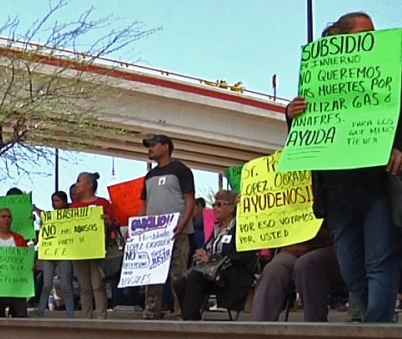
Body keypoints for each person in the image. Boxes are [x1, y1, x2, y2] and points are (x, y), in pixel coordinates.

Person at [286, 12, 402, 322]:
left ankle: (376, 329)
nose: (374, 39)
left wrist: (400, 145)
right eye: (366, 34)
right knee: (351, 267)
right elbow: (307, 136)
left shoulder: (388, 74)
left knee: (379, 262)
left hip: (376, 185)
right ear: (342, 37)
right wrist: (292, 115)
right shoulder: (321, 78)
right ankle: (377, 324)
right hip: (336, 192)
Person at [173, 190, 257, 320]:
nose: (215, 208)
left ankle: (188, 320)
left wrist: (211, 259)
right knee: (179, 282)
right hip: (212, 275)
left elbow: (240, 255)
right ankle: (192, 317)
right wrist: (202, 253)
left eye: (219, 204)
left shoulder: (241, 229)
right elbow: (209, 249)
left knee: (195, 277)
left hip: (231, 274)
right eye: (214, 205)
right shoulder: (216, 229)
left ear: (231, 208)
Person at [140, 134, 196, 319]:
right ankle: (151, 309)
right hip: (153, 234)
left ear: (165, 147)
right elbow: (145, 205)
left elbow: (189, 200)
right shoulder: (149, 175)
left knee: (178, 273)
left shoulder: (180, 169)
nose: (150, 149)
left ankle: (181, 310)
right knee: (152, 272)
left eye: (153, 145)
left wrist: (182, 224)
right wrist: (137, 227)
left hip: (176, 232)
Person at [250, 228, 342, 322]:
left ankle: (314, 329)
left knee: (306, 265)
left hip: (328, 245)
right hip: (290, 250)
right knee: (273, 271)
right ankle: (257, 330)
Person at [71, 172, 116, 319]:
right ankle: (86, 316)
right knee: (84, 286)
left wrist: (108, 221)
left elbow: (115, 224)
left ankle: (101, 316)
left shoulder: (103, 203)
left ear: (89, 185)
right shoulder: (74, 206)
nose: (76, 185)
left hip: (98, 250)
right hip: (79, 250)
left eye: (79, 182)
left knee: (97, 284)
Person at [37, 191, 74, 318]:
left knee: (66, 286)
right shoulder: (49, 217)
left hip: (64, 254)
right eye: (53, 201)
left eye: (57, 201)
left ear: (64, 202)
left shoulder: (71, 216)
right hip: (50, 253)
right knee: (46, 285)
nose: (54, 203)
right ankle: (40, 312)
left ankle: (70, 314)